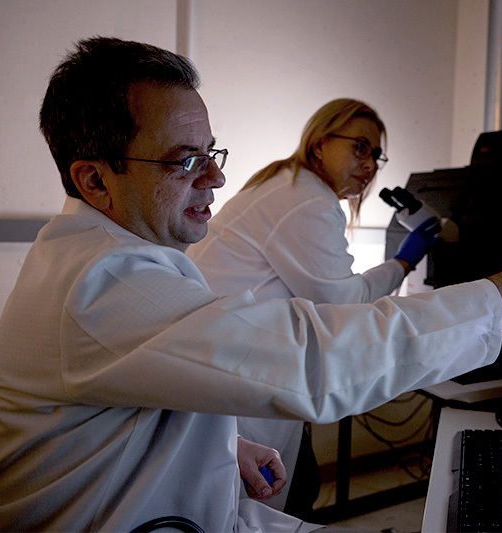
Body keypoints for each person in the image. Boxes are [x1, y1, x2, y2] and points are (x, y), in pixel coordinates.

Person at [0, 36, 502, 533]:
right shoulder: (99, 282)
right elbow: (327, 349)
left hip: (205, 458)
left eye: (212, 153)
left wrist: (213, 442)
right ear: (93, 179)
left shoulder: (122, 251)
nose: (216, 180)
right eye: (184, 161)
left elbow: (141, 376)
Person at [186, 98, 440, 514]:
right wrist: (404, 261)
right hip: (237, 380)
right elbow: (345, 302)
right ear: (320, 144)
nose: (371, 164)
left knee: (295, 489)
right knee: (259, 508)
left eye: (376, 154)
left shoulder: (287, 182)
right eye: (360, 147)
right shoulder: (306, 198)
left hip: (236, 364)